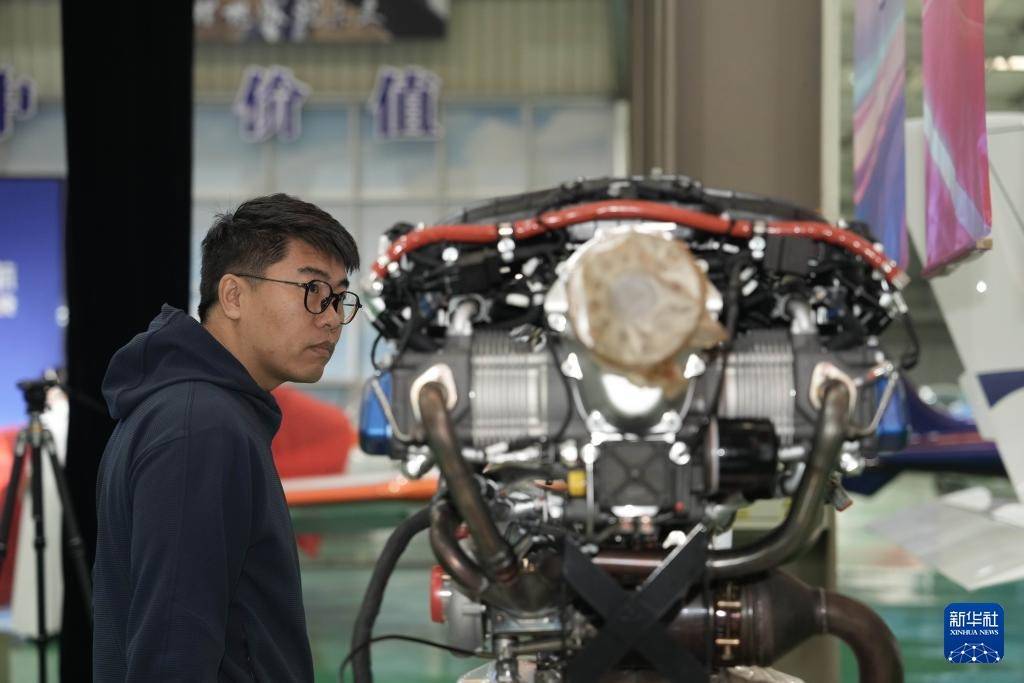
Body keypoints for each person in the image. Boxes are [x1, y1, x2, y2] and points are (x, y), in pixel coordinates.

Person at [93, 194, 360, 681]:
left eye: (340, 297)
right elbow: (173, 655)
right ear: (234, 295)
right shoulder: (199, 426)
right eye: (313, 290)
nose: (331, 317)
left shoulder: (198, 411)